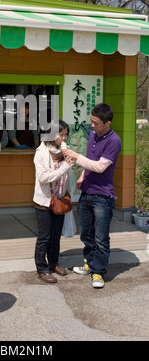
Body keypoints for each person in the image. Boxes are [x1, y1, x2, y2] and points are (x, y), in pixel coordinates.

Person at [63, 103, 121, 288]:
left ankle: (99, 273)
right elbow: (92, 161)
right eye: (91, 122)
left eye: (96, 123)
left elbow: (100, 166)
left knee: (101, 237)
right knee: (86, 234)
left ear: (107, 123)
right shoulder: (94, 135)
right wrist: (82, 175)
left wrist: (76, 156)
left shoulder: (114, 141)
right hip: (86, 192)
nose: (92, 126)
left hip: (103, 196)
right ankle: (90, 264)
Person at [33, 119, 73, 283]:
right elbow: (42, 178)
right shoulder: (41, 152)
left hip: (60, 198)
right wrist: (64, 168)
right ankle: (41, 269)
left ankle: (53, 263)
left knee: (56, 235)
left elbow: (68, 175)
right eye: (61, 134)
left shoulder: (66, 151)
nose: (64, 138)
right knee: (44, 236)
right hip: (44, 201)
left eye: (66, 135)